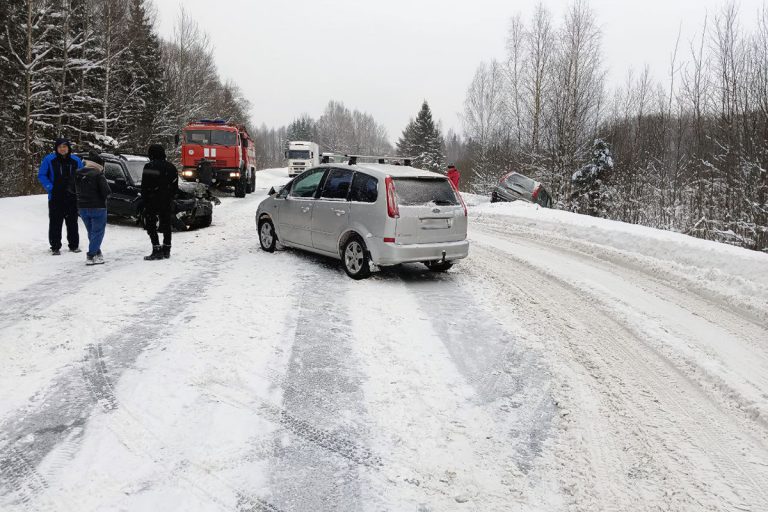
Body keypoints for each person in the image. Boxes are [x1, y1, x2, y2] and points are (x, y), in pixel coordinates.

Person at [38, 138, 82, 255]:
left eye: (65, 146)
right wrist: (50, 187)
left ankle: (74, 246)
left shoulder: (76, 160)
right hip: (56, 197)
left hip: (71, 197)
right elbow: (42, 175)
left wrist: (78, 189)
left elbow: (82, 176)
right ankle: (55, 247)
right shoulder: (49, 159)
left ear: (68, 148)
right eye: (60, 147)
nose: (62, 149)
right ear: (56, 148)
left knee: (72, 222)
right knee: (55, 223)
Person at [141, 144, 178, 261]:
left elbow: (145, 185)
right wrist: (170, 196)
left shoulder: (149, 166)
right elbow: (175, 186)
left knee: (151, 224)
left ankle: (156, 248)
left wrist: (145, 198)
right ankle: (167, 248)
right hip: (166, 199)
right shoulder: (171, 167)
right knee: (166, 223)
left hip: (152, 200)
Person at [74, 151, 111, 265]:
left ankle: (97, 253)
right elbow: (107, 192)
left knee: (91, 232)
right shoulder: (99, 175)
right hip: (98, 207)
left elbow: (72, 189)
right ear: (99, 165)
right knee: (98, 232)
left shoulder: (77, 173)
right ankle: (91, 255)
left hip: (82, 207)